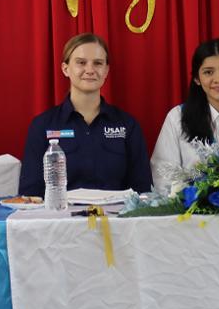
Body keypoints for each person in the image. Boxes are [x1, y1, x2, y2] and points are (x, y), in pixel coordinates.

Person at [18, 33, 152, 196]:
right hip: (61, 219)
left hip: (116, 220)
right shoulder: (42, 125)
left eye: (98, 63)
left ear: (106, 70)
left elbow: (143, 190)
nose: (90, 70)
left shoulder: (128, 125)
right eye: (81, 63)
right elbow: (31, 194)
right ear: (65, 69)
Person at [150, 39, 219, 190]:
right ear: (197, 78)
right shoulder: (177, 118)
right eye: (208, 72)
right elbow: (163, 177)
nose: (218, 79)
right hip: (189, 212)